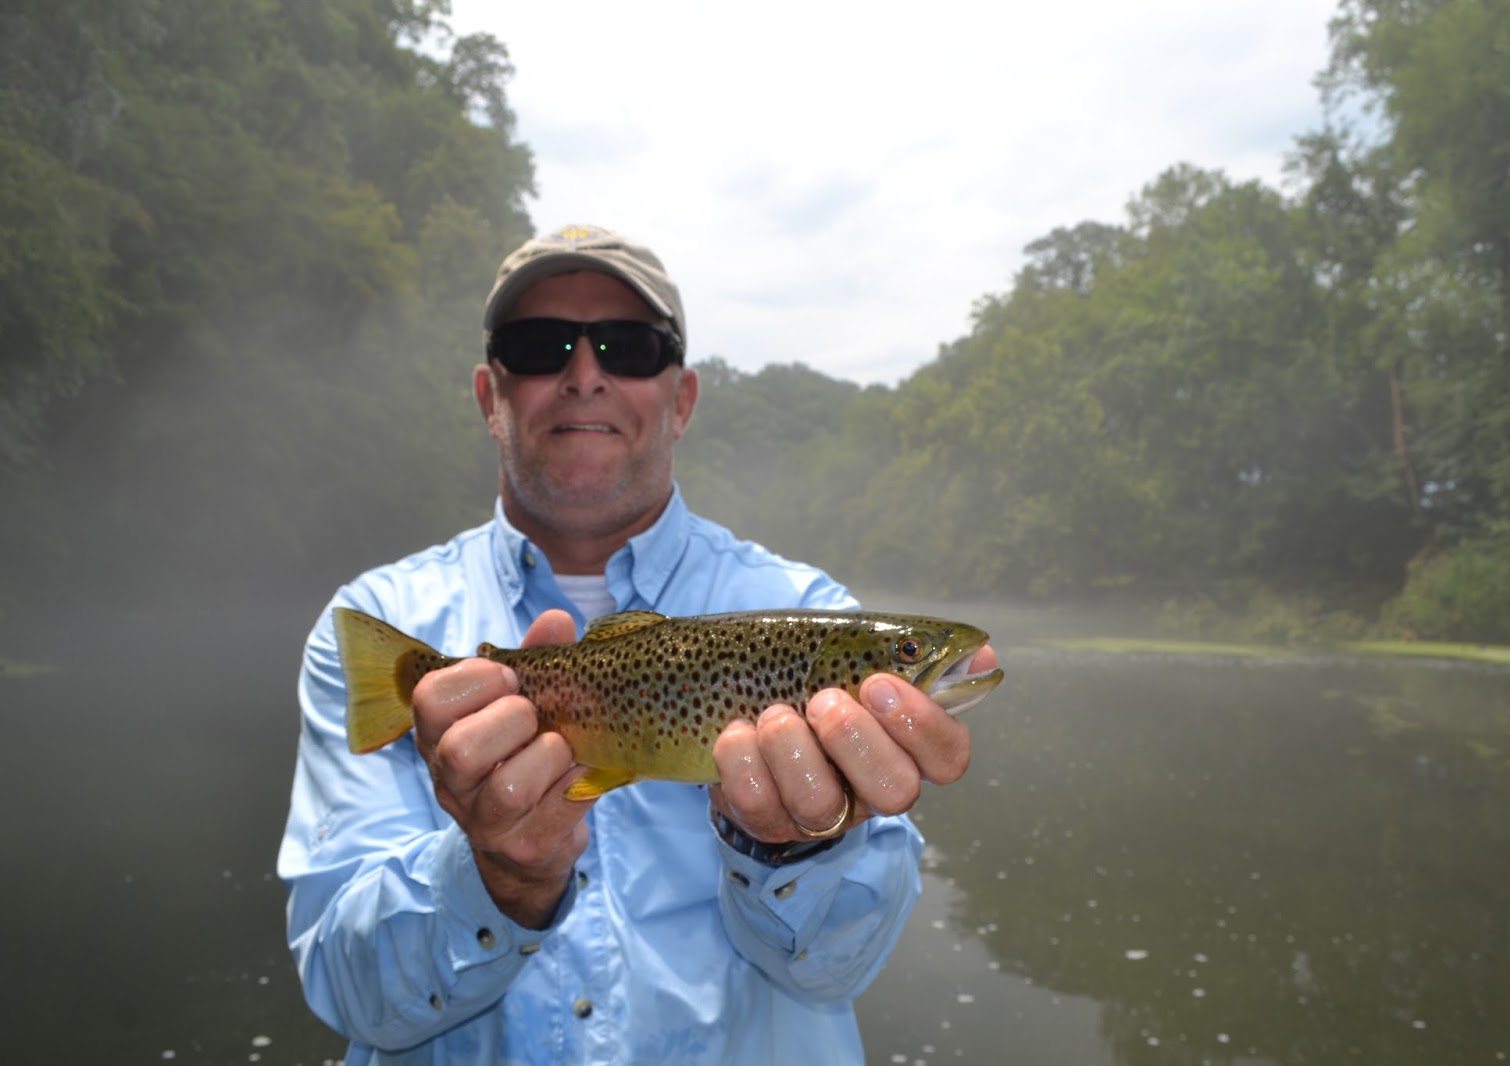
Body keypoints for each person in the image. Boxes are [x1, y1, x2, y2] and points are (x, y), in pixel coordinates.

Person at [278, 224, 995, 1065]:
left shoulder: (806, 606)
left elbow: (838, 970)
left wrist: (802, 842)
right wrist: (496, 877)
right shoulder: (374, 621)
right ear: (488, 395)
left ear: (682, 397)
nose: (585, 374)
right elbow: (347, 987)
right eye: (541, 346)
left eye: (628, 347)